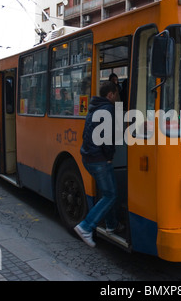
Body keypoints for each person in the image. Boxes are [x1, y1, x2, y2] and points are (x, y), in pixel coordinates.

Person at [74, 81, 122, 247]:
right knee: (111, 194)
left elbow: (86, 133)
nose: (117, 98)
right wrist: (109, 156)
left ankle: (111, 225)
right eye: (116, 94)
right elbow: (107, 138)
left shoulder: (94, 107)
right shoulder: (108, 109)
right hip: (99, 159)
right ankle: (86, 227)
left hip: (88, 157)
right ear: (110, 95)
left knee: (108, 191)